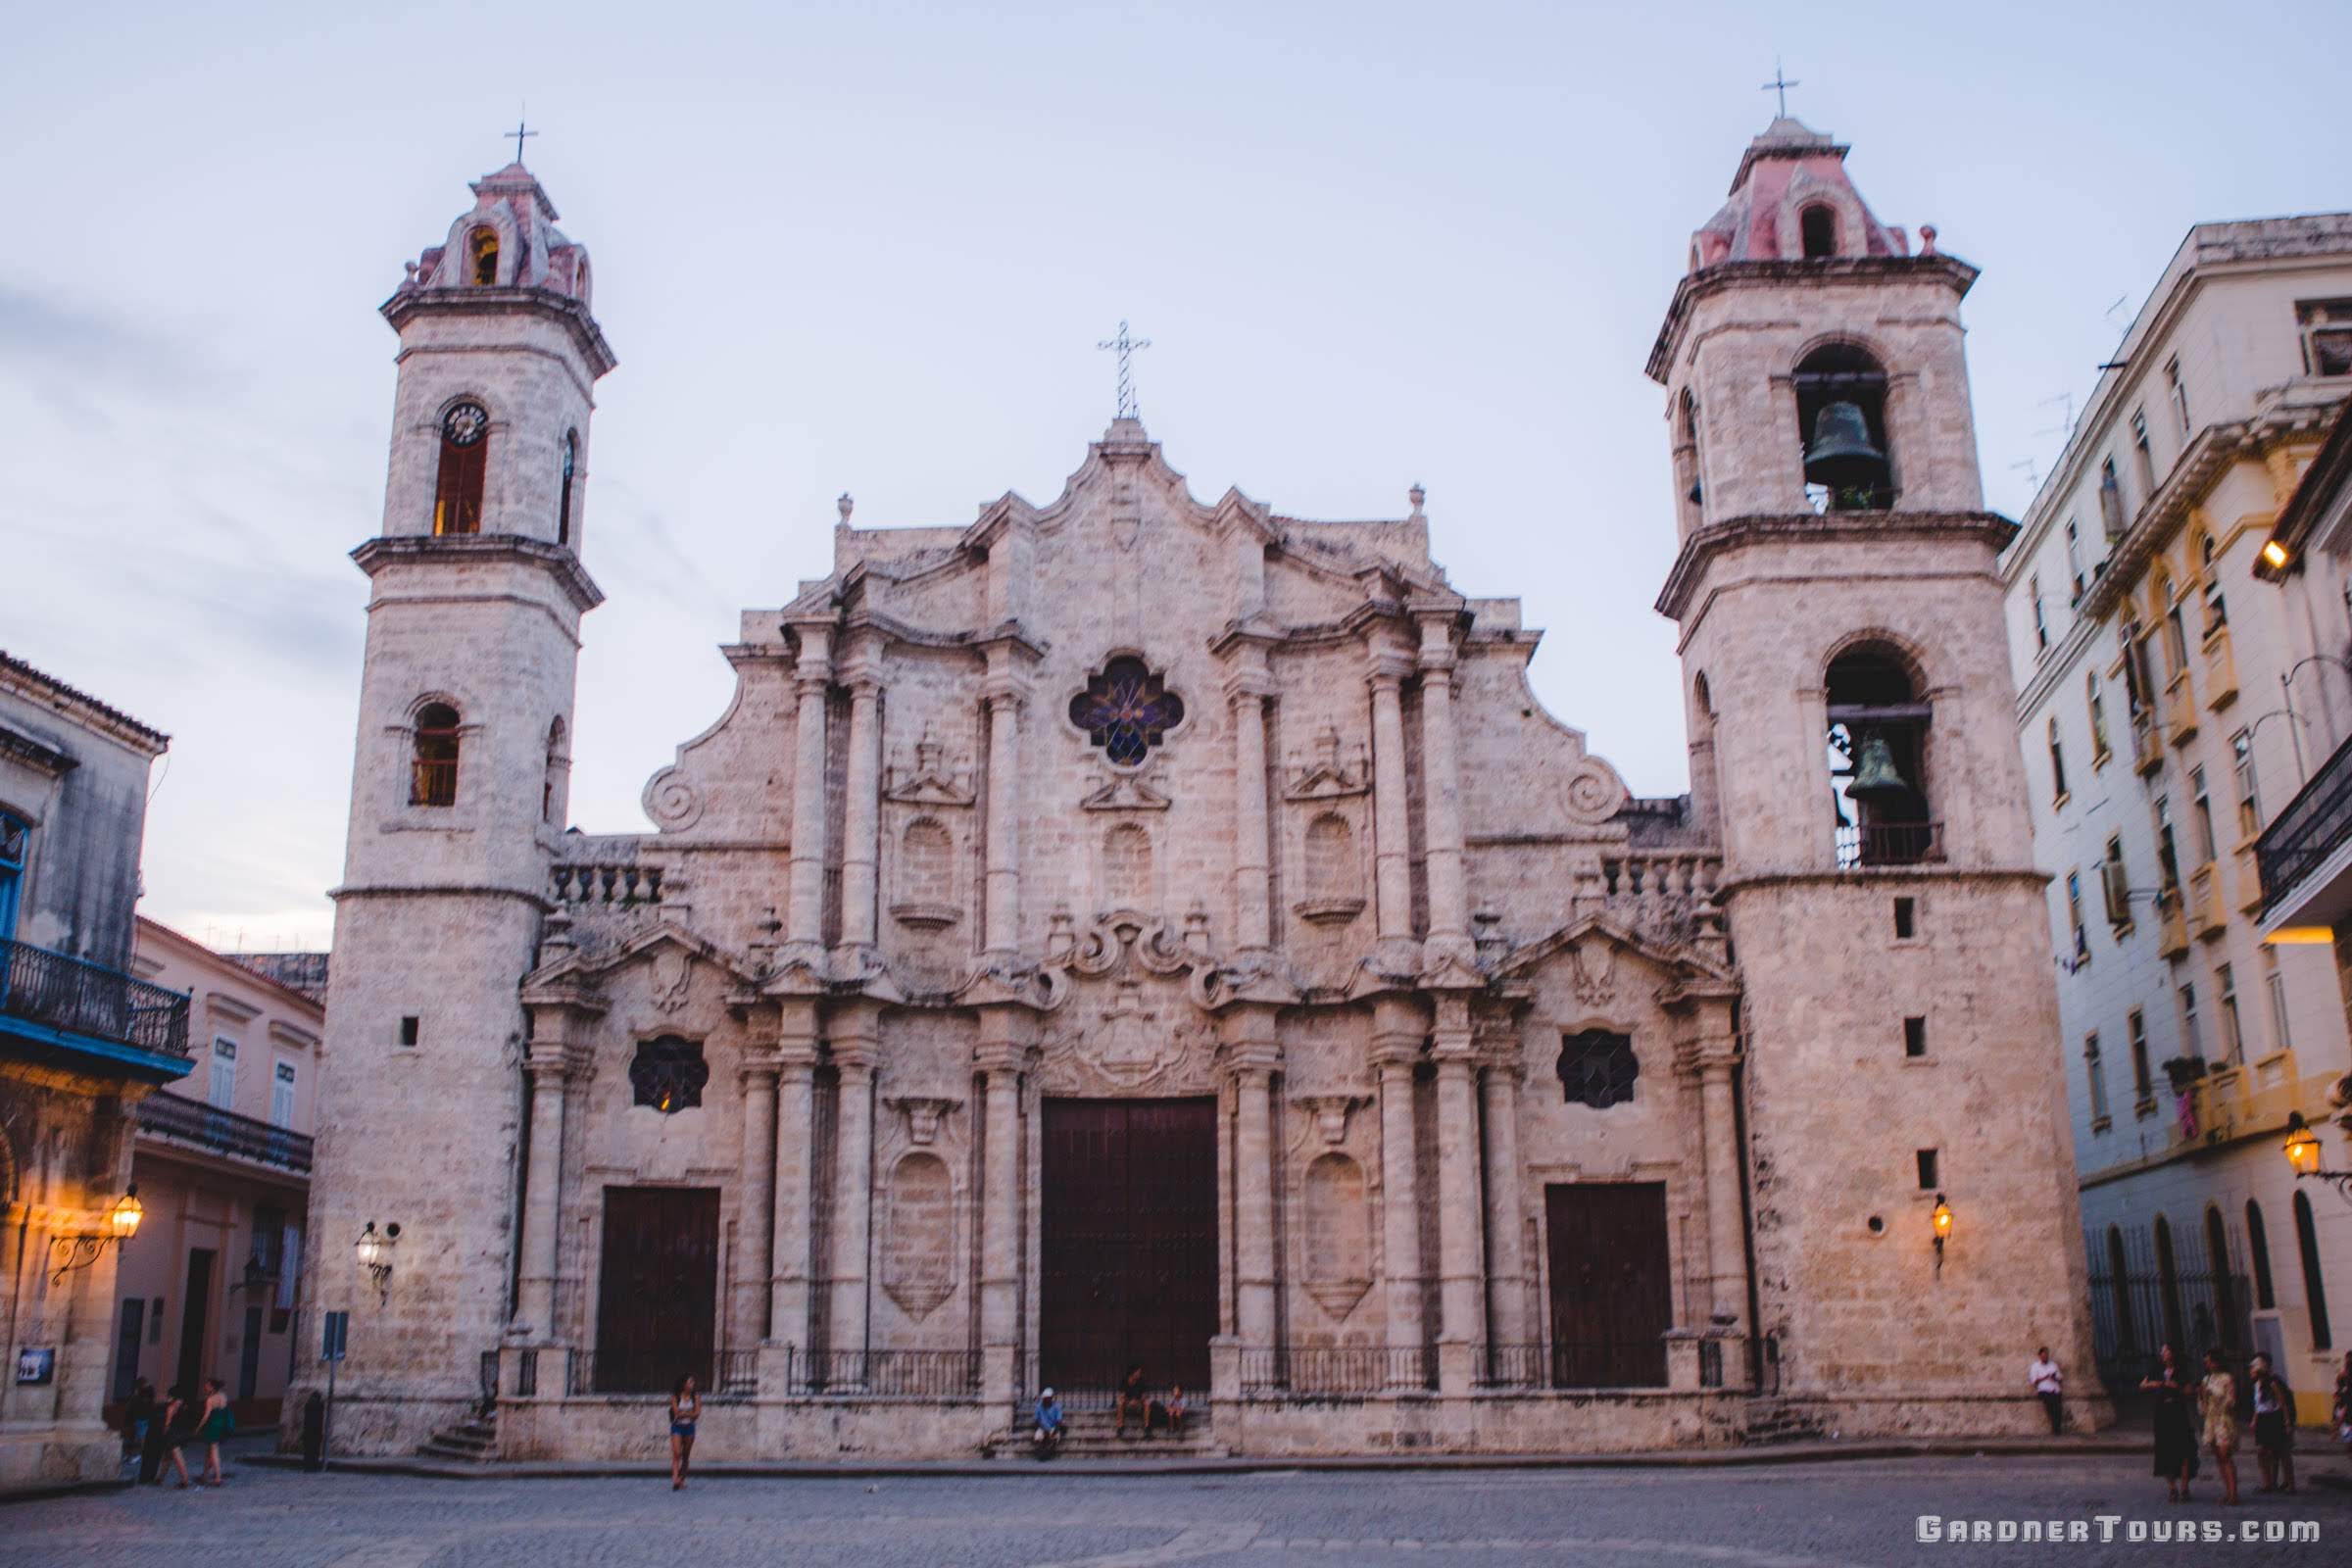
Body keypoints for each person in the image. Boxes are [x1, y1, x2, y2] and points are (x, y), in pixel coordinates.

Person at [2140, 1345, 2198, 1502]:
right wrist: (2157, 1384)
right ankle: (2172, 1488)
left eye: (2167, 1351)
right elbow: (2143, 1385)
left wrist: (2177, 1388)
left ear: (2173, 1354)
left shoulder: (2180, 1371)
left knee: (2184, 1449)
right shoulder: (2157, 1369)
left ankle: (2185, 1487)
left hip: (2178, 1411)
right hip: (2162, 1412)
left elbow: (2190, 1390)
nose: (2164, 1354)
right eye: (2162, 1352)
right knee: (2165, 1451)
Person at [2248, 1353, 2295, 1494]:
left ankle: (2290, 1483)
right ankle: (2268, 1482)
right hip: (2263, 1419)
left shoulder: (2273, 1383)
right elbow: (2258, 1405)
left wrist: (2287, 1422)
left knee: (2282, 1452)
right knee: (2263, 1452)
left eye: (2253, 1369)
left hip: (2275, 1418)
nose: (2250, 1372)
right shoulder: (2257, 1385)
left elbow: (2282, 1404)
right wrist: (2254, 1420)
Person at [2199, 1348, 2240, 1505]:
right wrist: (2202, 1396)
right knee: (2218, 1457)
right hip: (2211, 1419)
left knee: (2225, 1455)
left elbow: (2231, 1401)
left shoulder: (2227, 1378)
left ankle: (2234, 1493)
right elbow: (2202, 1406)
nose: (2207, 1365)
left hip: (2224, 1419)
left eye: (2209, 1361)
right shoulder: (2206, 1379)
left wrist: (2213, 1392)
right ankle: (2228, 1491)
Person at [145, 1383, 193, 1488]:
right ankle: (160, 1478)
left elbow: (167, 1423)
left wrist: (163, 1433)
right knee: (167, 1457)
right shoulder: (183, 1405)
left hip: (172, 1434)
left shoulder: (171, 1406)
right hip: (182, 1432)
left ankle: (185, 1479)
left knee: (176, 1457)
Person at [192, 1378, 233, 1487]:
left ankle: (218, 1477)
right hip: (221, 1424)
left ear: (212, 1387)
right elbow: (225, 1410)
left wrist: (198, 1428)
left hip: (213, 1425)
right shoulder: (223, 1396)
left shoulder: (210, 1399)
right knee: (210, 1451)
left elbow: (206, 1416)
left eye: (207, 1386)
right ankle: (205, 1475)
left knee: (214, 1450)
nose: (205, 1387)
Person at [668, 1374, 701, 1491]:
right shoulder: (675, 1397)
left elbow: (697, 1413)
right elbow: (676, 1413)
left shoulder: (695, 1396)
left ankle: (682, 1480)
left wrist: (684, 1414)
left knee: (686, 1455)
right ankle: (675, 1478)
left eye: (693, 1382)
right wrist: (689, 1413)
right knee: (677, 1453)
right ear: (684, 1384)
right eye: (690, 1382)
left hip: (689, 1427)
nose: (692, 1385)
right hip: (677, 1426)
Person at [2028, 1347, 2064, 1436]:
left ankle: (2057, 1428)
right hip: (2044, 1390)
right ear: (2040, 1356)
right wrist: (2045, 1377)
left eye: (2046, 1356)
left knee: (2058, 1409)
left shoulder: (2053, 1365)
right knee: (2051, 1408)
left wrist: (2054, 1378)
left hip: (2055, 1389)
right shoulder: (2035, 1366)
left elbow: (2060, 1377)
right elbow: (2033, 1380)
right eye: (2043, 1356)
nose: (2045, 1358)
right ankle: (2055, 1428)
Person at [121, 1378, 157, 1463]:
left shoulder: (145, 1393)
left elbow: (143, 1405)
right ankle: (131, 1455)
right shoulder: (142, 1394)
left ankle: (138, 1455)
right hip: (137, 1418)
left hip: (141, 1418)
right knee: (133, 1437)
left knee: (139, 1438)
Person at [1115, 1363, 1148, 1439]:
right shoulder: (1124, 1381)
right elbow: (1121, 1395)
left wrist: (1138, 1401)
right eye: (1138, 1372)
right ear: (1132, 1373)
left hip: (1138, 1404)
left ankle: (1147, 1427)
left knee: (1147, 1403)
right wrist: (1129, 1402)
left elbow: (1144, 1395)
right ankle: (1120, 1426)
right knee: (1120, 1402)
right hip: (1127, 1404)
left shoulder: (1141, 1381)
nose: (1139, 1374)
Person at [1031, 1388, 1064, 1459]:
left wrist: (1054, 1431)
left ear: (1051, 1398)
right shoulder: (1038, 1407)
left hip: (1053, 1428)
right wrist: (1044, 1429)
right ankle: (1041, 1451)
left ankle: (1047, 1452)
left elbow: (1059, 1421)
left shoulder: (1057, 1407)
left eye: (1047, 1398)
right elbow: (1036, 1421)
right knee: (1038, 1437)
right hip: (1042, 1427)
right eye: (1044, 1398)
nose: (1045, 1400)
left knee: (1054, 1438)